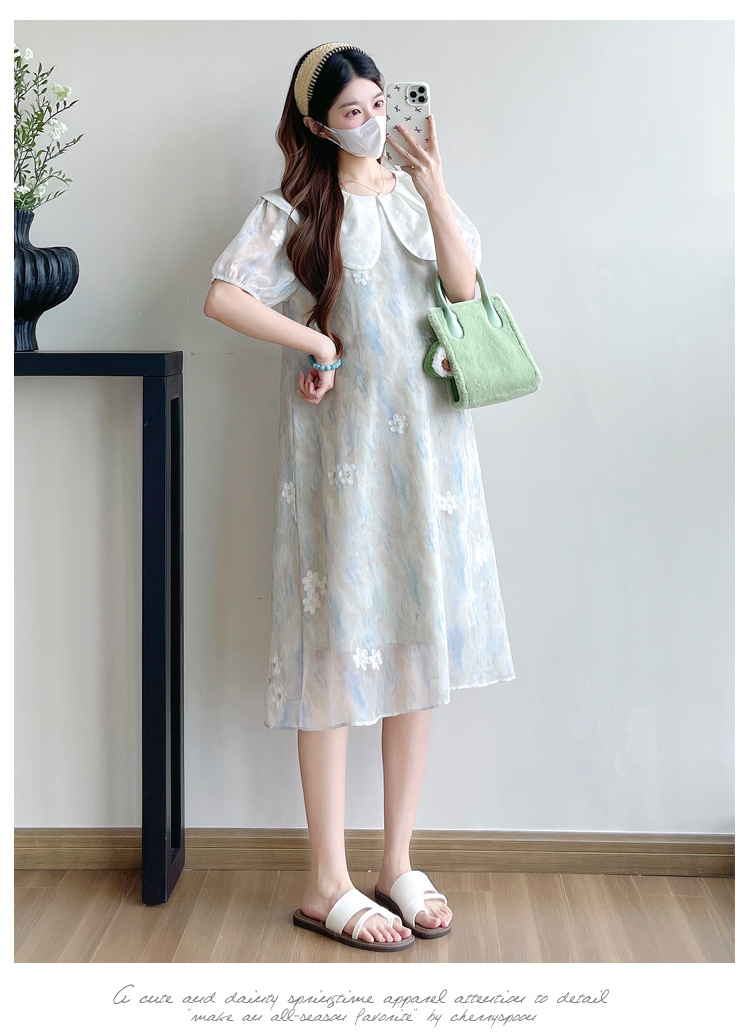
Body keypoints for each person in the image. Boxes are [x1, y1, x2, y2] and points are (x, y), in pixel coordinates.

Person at [204, 42, 516, 952]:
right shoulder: (298, 210)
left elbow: (463, 287)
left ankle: (397, 862)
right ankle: (325, 879)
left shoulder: (417, 197)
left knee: (417, 640)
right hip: (343, 458)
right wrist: (315, 345)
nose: (374, 121)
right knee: (337, 652)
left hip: (431, 456)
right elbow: (224, 296)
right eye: (353, 111)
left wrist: (436, 181)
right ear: (316, 124)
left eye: (379, 103)